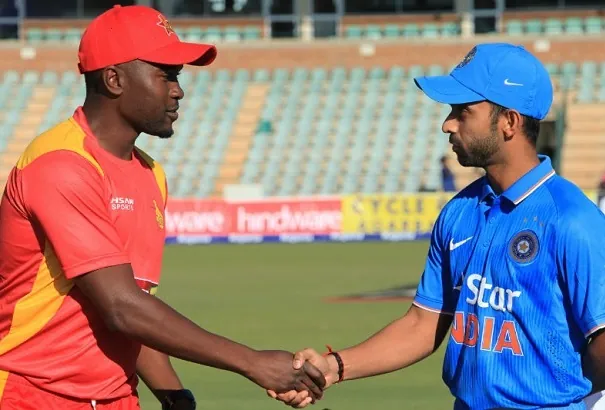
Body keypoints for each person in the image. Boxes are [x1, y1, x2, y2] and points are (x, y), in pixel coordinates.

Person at [0, 5, 325, 410]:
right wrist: (252, 361)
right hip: (31, 395)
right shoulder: (61, 164)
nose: (178, 89)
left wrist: (176, 397)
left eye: (178, 76)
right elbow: (121, 308)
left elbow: (135, 306)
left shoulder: (150, 174)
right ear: (115, 79)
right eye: (165, 73)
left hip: (117, 397)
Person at [269, 43, 605, 409]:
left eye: (463, 111)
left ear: (509, 121)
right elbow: (422, 325)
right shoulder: (459, 212)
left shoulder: (574, 220)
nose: (448, 124)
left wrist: (564, 393)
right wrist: (334, 367)